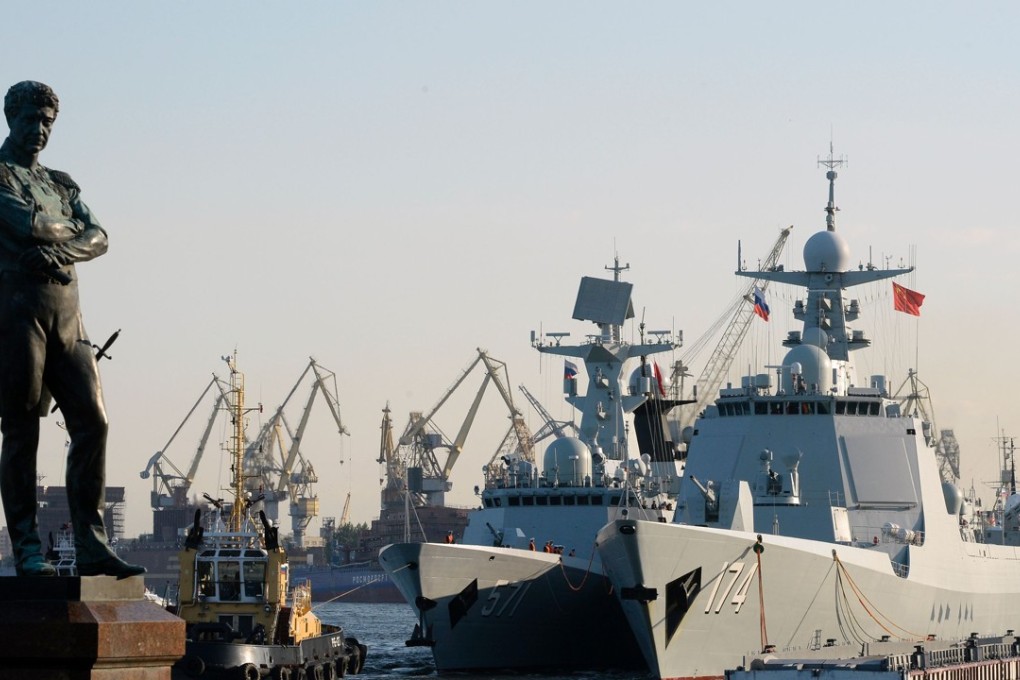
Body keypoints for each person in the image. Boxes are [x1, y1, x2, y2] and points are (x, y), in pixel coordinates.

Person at [0, 81, 144, 578]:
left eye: (47, 122)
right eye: (30, 119)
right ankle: (27, 549)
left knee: (93, 422)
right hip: (18, 313)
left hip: (68, 315)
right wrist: (66, 231)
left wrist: (63, 246)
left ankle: (92, 544)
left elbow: (100, 236)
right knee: (21, 430)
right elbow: (32, 226)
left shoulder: (60, 182)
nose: (39, 130)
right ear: (9, 116)